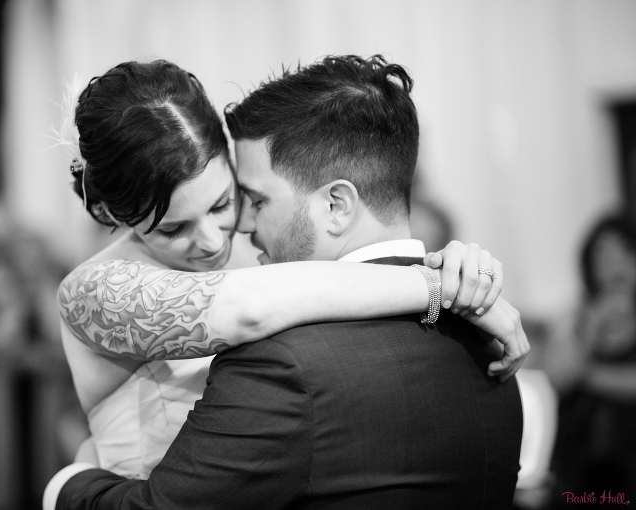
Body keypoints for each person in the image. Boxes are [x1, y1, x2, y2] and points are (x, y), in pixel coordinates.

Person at [45, 55, 527, 509]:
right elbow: (246, 309)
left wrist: (449, 267)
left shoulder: (262, 250)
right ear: (112, 214)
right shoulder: (95, 291)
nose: (213, 240)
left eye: (223, 203)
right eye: (173, 228)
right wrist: (438, 286)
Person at [549, 214, 636, 505]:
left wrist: (588, 375)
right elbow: (555, 378)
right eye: (602, 253)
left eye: (622, 251)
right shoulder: (578, 315)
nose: (613, 263)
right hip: (578, 468)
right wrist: (592, 326)